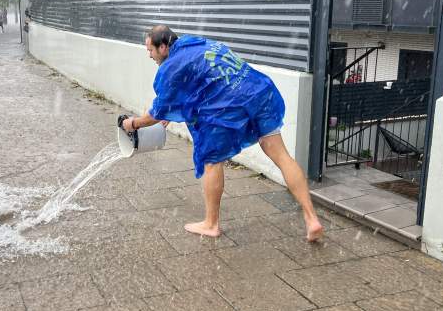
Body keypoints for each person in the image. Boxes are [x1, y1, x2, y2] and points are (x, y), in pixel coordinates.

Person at [122, 25, 324, 242]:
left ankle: (211, 224)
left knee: (211, 160)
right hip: (259, 91)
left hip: (231, 104)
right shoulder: (195, 43)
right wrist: (171, 113)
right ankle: (312, 218)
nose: (149, 55)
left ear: (163, 47)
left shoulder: (171, 66)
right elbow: (200, 81)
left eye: (150, 50)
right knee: (281, 156)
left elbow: (156, 111)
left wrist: (133, 123)